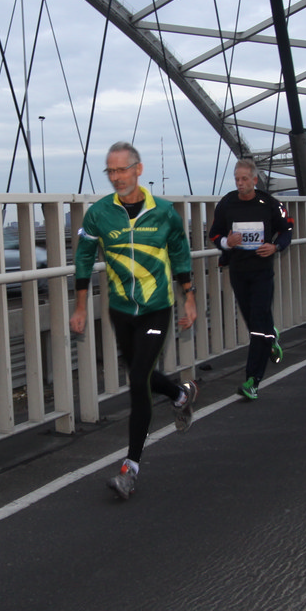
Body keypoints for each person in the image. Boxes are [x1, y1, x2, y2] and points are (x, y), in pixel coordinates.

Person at [71, 142, 198, 499]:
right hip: (121, 309)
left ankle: (131, 468)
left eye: (122, 170)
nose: (116, 177)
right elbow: (83, 259)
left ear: (138, 169)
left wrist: (189, 297)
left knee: (139, 379)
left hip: (156, 306)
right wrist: (80, 307)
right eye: (110, 171)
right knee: (139, 374)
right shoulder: (99, 214)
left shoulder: (164, 212)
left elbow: (180, 252)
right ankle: (180, 394)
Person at [209, 158, 293, 400]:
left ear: (255, 180)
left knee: (257, 325)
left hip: (262, 271)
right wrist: (227, 242)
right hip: (238, 270)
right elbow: (214, 234)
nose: (240, 183)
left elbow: (287, 228)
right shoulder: (227, 203)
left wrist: (275, 247)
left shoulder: (270, 204)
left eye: (245, 179)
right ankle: (271, 335)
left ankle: (252, 381)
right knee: (254, 322)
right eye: (237, 179)